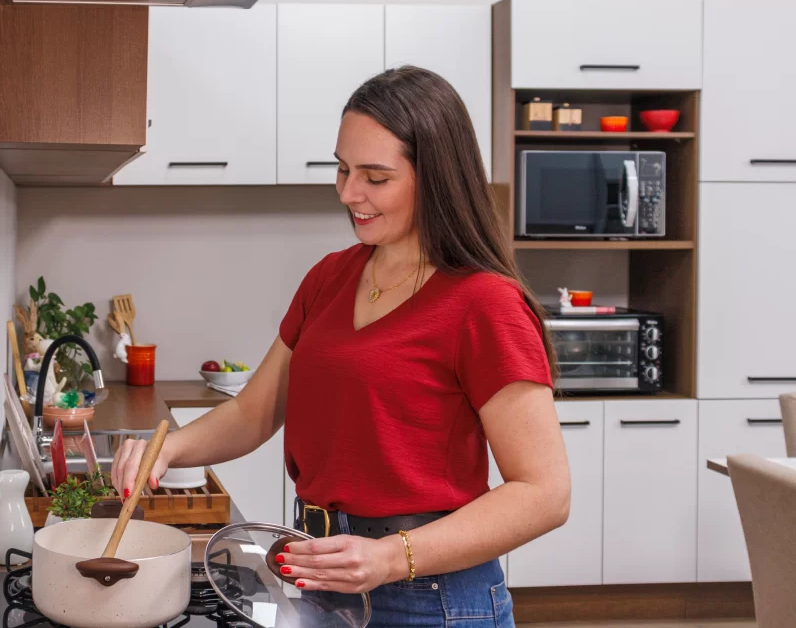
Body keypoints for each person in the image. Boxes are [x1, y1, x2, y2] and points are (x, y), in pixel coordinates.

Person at [112, 66, 570, 627]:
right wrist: (169, 450)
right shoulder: (329, 277)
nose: (349, 193)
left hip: (428, 597)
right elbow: (254, 412)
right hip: (316, 571)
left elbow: (545, 493)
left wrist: (387, 557)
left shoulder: (485, 303)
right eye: (343, 168)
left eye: (375, 177)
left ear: (437, 178)